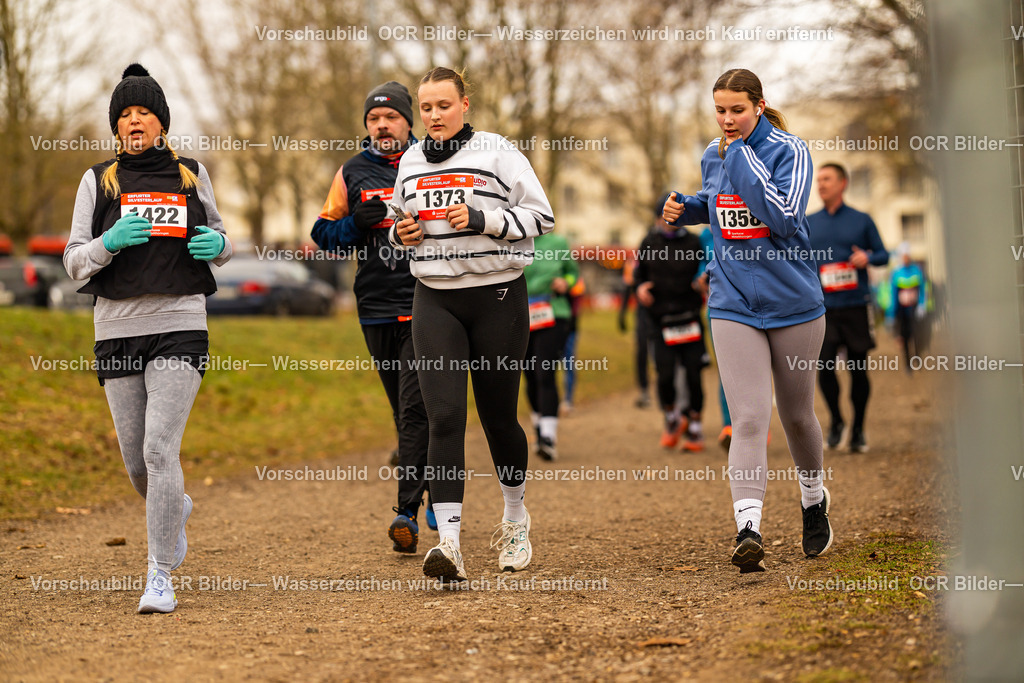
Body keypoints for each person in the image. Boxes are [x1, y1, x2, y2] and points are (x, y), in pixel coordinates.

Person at [63, 64, 232, 613]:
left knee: (160, 450)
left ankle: (159, 573)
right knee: (138, 465)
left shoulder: (190, 173)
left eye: (145, 113)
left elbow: (223, 239)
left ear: (162, 124)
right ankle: (173, 507)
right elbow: (72, 262)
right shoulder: (98, 180)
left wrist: (216, 245)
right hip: (117, 331)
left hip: (181, 324)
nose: (135, 121)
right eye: (125, 115)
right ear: (117, 128)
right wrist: (107, 242)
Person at [662, 68, 832, 573]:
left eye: (737, 109)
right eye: (720, 110)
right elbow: (721, 208)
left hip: (793, 305)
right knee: (749, 418)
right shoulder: (713, 155)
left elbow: (781, 216)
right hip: (732, 301)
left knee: (797, 416)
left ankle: (812, 499)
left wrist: (738, 155)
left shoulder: (789, 150)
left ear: (759, 105)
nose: (728, 119)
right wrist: (687, 207)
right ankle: (748, 529)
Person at [389, 67, 554, 582]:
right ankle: (451, 544)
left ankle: (514, 517)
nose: (434, 116)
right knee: (444, 419)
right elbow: (400, 225)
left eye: (443, 105)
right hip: (435, 297)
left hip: (498, 297)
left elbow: (542, 218)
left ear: (465, 105)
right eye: (427, 108)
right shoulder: (411, 160)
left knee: (498, 418)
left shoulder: (497, 151)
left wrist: (486, 221)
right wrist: (403, 233)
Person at [310, 81, 431, 553]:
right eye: (374, 119)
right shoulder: (352, 172)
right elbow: (323, 234)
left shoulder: (431, 164)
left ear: (408, 122)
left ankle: (408, 513)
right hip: (375, 306)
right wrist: (354, 224)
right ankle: (435, 489)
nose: (382, 126)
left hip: (426, 299)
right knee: (403, 412)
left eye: (392, 118)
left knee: (417, 406)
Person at [807, 163, 889, 453]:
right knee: (824, 368)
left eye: (827, 179)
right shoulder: (809, 222)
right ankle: (837, 421)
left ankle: (858, 429)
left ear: (843, 183)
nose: (821, 184)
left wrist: (868, 257)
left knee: (858, 368)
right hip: (823, 309)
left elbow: (883, 255)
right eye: (819, 180)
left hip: (855, 305)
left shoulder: (861, 220)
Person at [635, 194, 709, 451]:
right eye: (665, 216)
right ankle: (672, 418)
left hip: (688, 317)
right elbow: (638, 275)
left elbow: (706, 269)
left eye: (675, 216)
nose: (670, 221)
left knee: (693, 375)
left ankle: (695, 426)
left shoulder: (694, 241)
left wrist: (703, 284)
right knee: (665, 375)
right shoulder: (648, 241)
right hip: (660, 319)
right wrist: (640, 289)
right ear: (658, 217)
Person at [523, 230, 579, 460]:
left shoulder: (558, 241)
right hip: (521, 316)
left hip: (553, 312)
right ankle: (538, 425)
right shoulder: (511, 240)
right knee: (529, 374)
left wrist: (565, 282)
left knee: (544, 372)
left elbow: (573, 274)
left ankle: (548, 436)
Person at [618, 250, 654, 408]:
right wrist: (622, 313)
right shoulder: (633, 262)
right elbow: (628, 288)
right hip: (642, 311)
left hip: (661, 309)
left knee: (660, 350)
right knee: (641, 350)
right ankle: (644, 390)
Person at [888, 243, 928, 370]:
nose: (905, 258)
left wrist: (922, 305)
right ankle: (907, 363)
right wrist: (891, 314)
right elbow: (893, 295)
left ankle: (917, 358)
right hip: (902, 310)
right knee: (904, 338)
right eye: (903, 256)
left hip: (915, 308)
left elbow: (922, 290)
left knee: (917, 335)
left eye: (907, 256)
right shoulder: (896, 273)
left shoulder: (917, 270)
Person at [559, 276, 585, 415]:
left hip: (569, 328)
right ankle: (552, 401)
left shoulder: (573, 275)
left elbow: (576, 303)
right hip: (550, 326)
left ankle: (568, 399)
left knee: (568, 363)